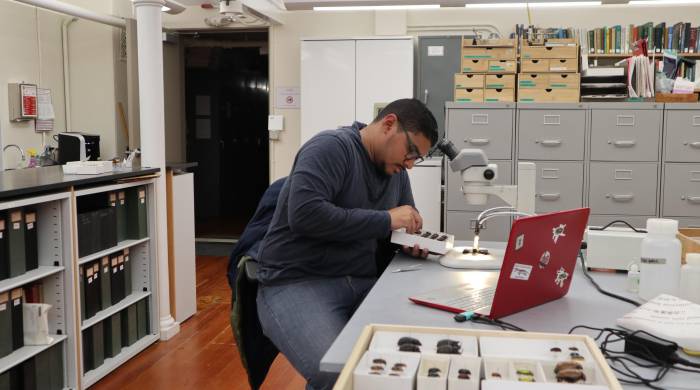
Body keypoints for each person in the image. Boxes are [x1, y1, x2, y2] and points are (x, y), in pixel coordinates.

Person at [256, 98, 439, 390]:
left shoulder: (397, 173)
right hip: (297, 281)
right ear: (389, 124)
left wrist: (409, 241)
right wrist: (385, 220)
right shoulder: (331, 147)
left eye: (418, 159)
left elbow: (400, 225)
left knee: (415, 359)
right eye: (411, 152)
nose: (410, 165)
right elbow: (304, 215)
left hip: (364, 281)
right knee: (337, 373)